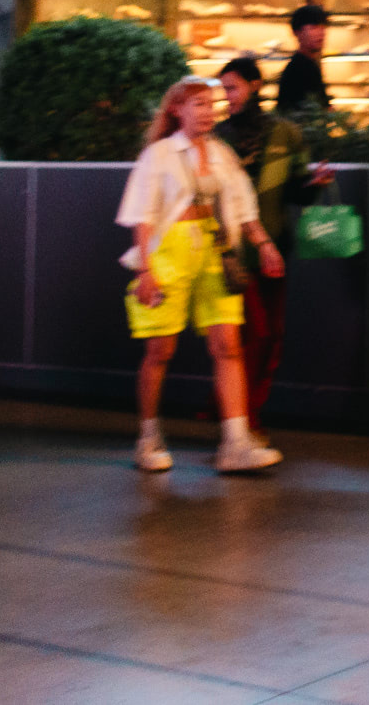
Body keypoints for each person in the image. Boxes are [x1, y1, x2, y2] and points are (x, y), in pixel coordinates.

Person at [116, 77, 285, 474]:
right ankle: (149, 437)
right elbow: (141, 216)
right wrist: (146, 269)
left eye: (211, 104)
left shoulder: (222, 154)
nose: (208, 111)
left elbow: (243, 206)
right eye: (198, 104)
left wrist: (263, 244)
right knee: (161, 350)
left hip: (215, 250)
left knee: (228, 344)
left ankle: (236, 443)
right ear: (177, 110)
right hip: (170, 252)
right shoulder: (158, 155)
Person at [215, 59, 332, 440]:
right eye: (223, 90)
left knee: (270, 336)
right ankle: (242, 418)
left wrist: (315, 183)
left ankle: (248, 411)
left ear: (255, 84)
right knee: (252, 334)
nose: (226, 97)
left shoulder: (286, 135)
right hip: (232, 251)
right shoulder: (216, 138)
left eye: (232, 88)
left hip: (273, 248)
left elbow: (296, 191)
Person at [276, 4, 332, 114]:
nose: (321, 33)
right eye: (313, 27)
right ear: (297, 33)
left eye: (323, 27)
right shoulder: (299, 69)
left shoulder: (308, 64)